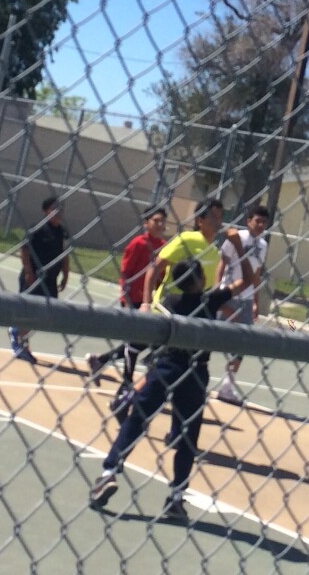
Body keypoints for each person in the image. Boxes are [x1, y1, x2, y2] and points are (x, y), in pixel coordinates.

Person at [89, 233, 254, 521]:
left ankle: (110, 471)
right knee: (187, 436)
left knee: (137, 419)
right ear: (201, 280)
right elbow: (246, 281)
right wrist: (239, 251)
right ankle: (176, 495)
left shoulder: (170, 301)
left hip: (167, 365)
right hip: (196, 372)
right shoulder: (210, 300)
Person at [86, 206, 167, 383]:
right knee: (136, 341)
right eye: (156, 221)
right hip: (134, 300)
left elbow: (161, 276)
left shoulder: (163, 247)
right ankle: (127, 380)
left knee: (141, 341)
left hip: (151, 301)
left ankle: (100, 360)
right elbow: (125, 273)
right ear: (146, 223)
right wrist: (127, 299)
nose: (160, 225)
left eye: (163, 221)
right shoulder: (138, 243)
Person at [214, 205, 270, 405]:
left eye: (264, 222)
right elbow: (222, 263)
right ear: (249, 221)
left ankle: (227, 387)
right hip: (228, 293)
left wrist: (255, 301)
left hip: (245, 299)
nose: (261, 225)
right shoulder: (237, 238)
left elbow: (256, 275)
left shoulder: (263, 245)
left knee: (242, 343)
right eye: (258, 221)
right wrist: (216, 291)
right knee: (210, 336)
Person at [8, 197, 70, 364]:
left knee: (47, 312)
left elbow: (65, 255)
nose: (59, 212)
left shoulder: (62, 232)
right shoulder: (37, 229)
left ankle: (19, 333)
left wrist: (65, 274)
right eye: (55, 208)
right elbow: (25, 250)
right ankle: (20, 341)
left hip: (50, 279)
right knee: (28, 310)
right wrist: (29, 273)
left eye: (61, 208)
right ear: (46, 211)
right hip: (34, 276)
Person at [141, 197, 224, 311]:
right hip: (168, 307)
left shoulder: (215, 251)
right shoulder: (187, 239)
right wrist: (146, 303)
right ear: (199, 220)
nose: (218, 222)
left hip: (194, 311)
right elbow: (154, 269)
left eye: (220, 218)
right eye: (213, 217)